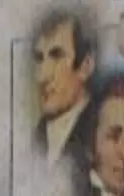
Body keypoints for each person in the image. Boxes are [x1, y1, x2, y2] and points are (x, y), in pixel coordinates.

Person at [28, 7, 99, 165]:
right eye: (39, 58)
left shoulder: (99, 136)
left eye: (56, 56)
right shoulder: (31, 141)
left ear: (85, 66)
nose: (42, 76)